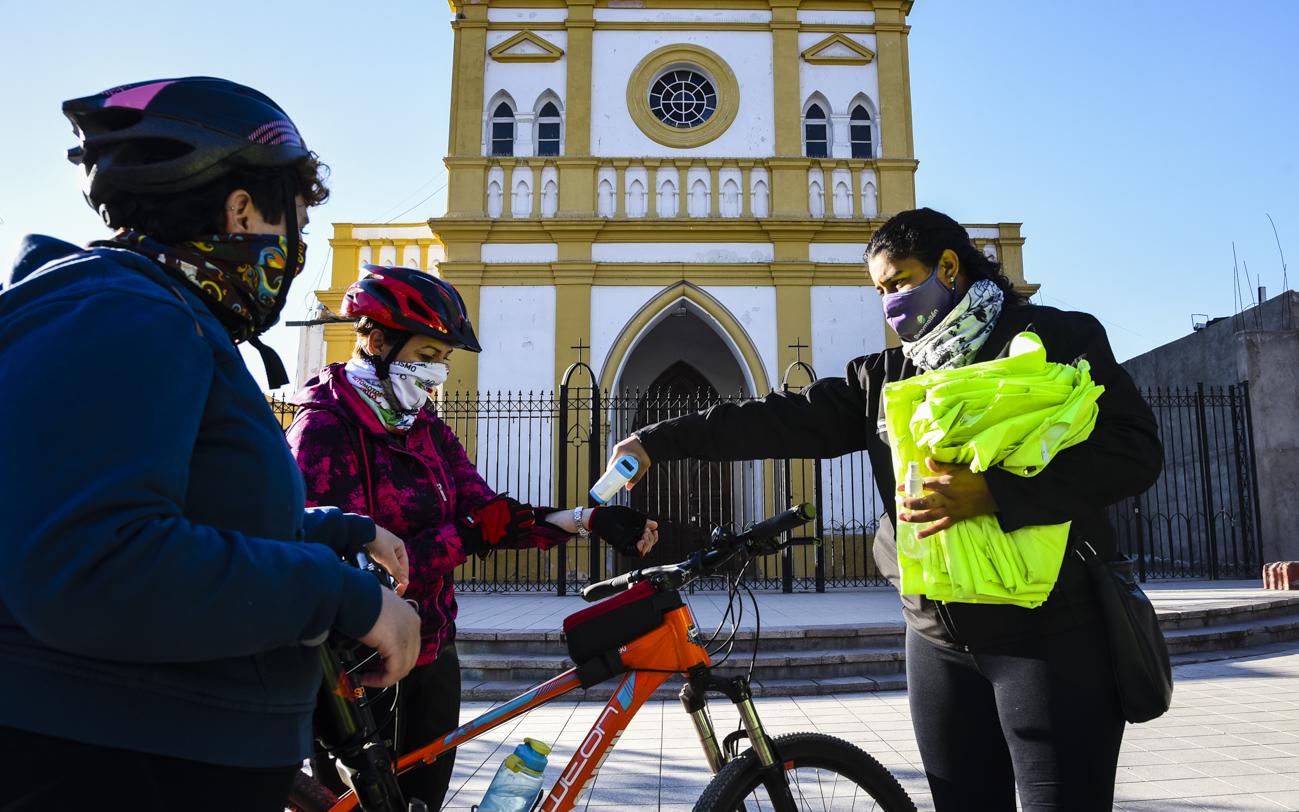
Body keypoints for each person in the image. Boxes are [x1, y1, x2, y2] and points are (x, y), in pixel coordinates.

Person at [607, 208, 1162, 811]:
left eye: (899, 283)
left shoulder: (1055, 339)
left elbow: (1134, 452)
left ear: (949, 267)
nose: (890, 303)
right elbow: (779, 420)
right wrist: (658, 441)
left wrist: (993, 493)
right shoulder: (887, 376)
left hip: (1053, 635)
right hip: (938, 641)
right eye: (880, 291)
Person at [0, 77, 421, 812]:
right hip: (109, 765)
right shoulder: (124, 314)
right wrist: (340, 598)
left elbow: (176, 515)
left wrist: (332, 531)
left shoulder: (158, 317)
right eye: (293, 221)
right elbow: (97, 564)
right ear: (241, 209)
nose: (294, 249)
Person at [285, 265, 659, 808]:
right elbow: (357, 558)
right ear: (381, 341)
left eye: (444, 360)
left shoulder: (427, 429)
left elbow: (486, 512)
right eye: (428, 355)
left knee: (425, 801)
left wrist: (586, 520)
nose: (438, 373)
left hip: (435, 651)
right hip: (361, 671)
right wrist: (466, 535)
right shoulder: (322, 428)